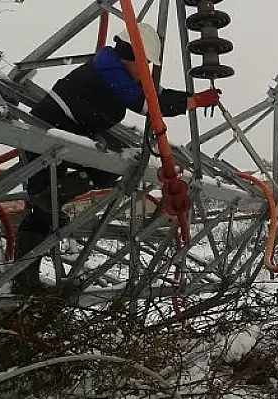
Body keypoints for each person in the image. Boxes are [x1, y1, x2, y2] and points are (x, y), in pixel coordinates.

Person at [12, 23, 220, 295]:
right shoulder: (111, 68)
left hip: (64, 135)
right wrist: (193, 101)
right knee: (44, 210)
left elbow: (148, 96)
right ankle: (24, 282)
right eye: (144, 62)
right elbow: (148, 104)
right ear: (131, 54)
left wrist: (189, 99)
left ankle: (31, 263)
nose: (144, 69)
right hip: (45, 137)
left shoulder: (111, 66)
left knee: (108, 170)